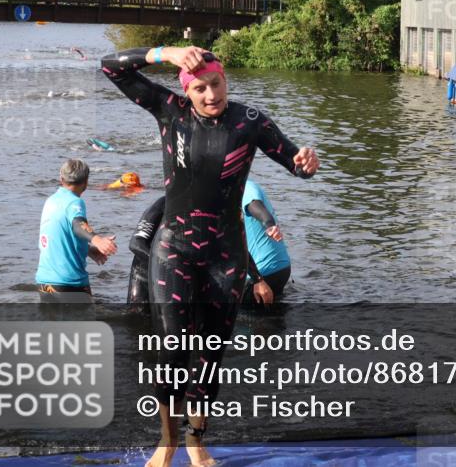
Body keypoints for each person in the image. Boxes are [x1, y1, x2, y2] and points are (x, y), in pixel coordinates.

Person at [100, 46, 318, 467]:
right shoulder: (170, 111)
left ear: (225, 80)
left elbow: (297, 164)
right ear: (188, 89)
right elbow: (111, 67)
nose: (211, 94)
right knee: (172, 351)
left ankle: (197, 443)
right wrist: (164, 53)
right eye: (200, 88)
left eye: (216, 83)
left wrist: (308, 162)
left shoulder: (249, 122)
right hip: (174, 250)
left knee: (209, 357)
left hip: (226, 257)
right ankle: (166, 442)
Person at [125, 180, 291, 312]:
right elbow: (136, 244)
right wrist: (169, 268)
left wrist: (257, 279)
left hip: (173, 274)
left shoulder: (202, 212)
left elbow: (233, 245)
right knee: (140, 318)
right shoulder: (161, 206)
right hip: (146, 273)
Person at [36, 159, 118, 302]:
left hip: (45, 282)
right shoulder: (74, 202)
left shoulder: (51, 201)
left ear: (61, 179)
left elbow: (61, 236)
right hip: (68, 283)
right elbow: (77, 224)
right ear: (86, 182)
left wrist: (87, 250)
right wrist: (97, 240)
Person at [242, 179, 292, 308]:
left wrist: (269, 225)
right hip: (280, 268)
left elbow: (256, 207)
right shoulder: (246, 186)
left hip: (261, 273)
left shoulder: (245, 189)